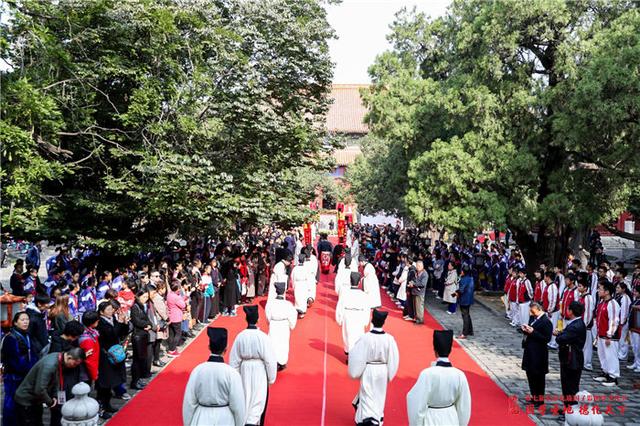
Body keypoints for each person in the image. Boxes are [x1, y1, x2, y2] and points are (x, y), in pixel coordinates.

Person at [406, 330, 471, 426]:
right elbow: (464, 406)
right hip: (451, 417)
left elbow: (417, 404)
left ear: (435, 352)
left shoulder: (427, 374)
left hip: (431, 418)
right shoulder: (459, 375)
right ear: (450, 351)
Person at [183, 328, 246, 426]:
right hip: (225, 418)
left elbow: (189, 402)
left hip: (202, 417)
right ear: (226, 349)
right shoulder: (232, 373)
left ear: (209, 347)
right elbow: (238, 405)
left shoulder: (198, 370)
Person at [348, 309, 399, 425]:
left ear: (372, 320)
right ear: (383, 322)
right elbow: (394, 358)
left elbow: (357, 356)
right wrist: (389, 373)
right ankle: (377, 417)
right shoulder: (389, 339)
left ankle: (366, 419)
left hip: (369, 369)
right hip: (383, 370)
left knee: (367, 394)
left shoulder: (365, 338)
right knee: (379, 396)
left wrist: (356, 372)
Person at [229, 305, 277, 426]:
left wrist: (236, 378)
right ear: (258, 319)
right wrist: (271, 378)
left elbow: (234, 360)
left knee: (245, 400)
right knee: (258, 400)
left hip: (244, 371)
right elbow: (270, 360)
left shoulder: (240, 336)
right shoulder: (263, 337)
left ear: (246, 319)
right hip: (259, 371)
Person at [14, 348, 86, 426]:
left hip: (35, 400)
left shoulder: (59, 357)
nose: (75, 367)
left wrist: (55, 396)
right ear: (69, 358)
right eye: (75, 364)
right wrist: (50, 402)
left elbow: (56, 379)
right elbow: (39, 390)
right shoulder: (50, 365)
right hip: (26, 400)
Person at [1, 312, 39, 426]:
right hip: (13, 376)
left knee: (20, 402)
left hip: (25, 373)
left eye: (27, 319)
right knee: (11, 402)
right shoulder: (10, 338)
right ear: (15, 322)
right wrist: (28, 369)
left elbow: (32, 354)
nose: (26, 322)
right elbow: (14, 360)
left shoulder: (26, 334)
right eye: (22, 320)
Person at [553, 301, 586, 419]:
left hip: (572, 359)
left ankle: (571, 411)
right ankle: (568, 407)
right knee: (566, 385)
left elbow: (562, 339)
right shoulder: (576, 323)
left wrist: (558, 335)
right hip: (569, 358)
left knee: (570, 386)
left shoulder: (576, 326)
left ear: (571, 311)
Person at [521, 301, 552, 407]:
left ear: (538, 309)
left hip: (539, 353)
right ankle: (534, 396)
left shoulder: (546, 321)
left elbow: (546, 338)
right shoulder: (533, 319)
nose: (530, 312)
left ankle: (539, 399)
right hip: (530, 350)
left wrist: (533, 332)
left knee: (538, 377)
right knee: (530, 374)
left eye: (532, 310)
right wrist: (525, 330)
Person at [336, 272, 371, 357]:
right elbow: (367, 309)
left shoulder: (345, 294)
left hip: (347, 316)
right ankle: (354, 355)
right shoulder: (363, 295)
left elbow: (339, 307)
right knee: (358, 337)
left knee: (348, 336)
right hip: (359, 317)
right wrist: (366, 321)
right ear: (359, 282)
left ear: (350, 281)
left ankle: (349, 354)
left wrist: (339, 319)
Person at [593, 281, 620, 387]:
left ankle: (613, 377)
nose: (598, 291)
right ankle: (605, 372)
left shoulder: (613, 304)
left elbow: (614, 320)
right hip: (601, 334)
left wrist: (610, 335)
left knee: (611, 356)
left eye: (600, 289)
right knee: (602, 355)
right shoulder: (602, 302)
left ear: (607, 291)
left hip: (609, 336)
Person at [265, 282, 297, 371]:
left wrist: (270, 323)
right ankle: (282, 362)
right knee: (283, 344)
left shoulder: (270, 304)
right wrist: (291, 325)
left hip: (274, 325)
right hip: (284, 326)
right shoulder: (288, 305)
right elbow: (292, 317)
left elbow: (267, 317)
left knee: (273, 342)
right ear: (283, 292)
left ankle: (273, 360)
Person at [130, 289, 153, 390]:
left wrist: (150, 325)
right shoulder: (135, 307)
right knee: (137, 360)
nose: (145, 299)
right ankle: (134, 381)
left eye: (146, 298)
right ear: (138, 296)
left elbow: (147, 319)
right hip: (138, 335)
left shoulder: (142, 306)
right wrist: (146, 324)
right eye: (143, 297)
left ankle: (139, 379)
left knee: (142, 359)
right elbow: (136, 321)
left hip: (143, 334)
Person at [167, 280, 187, 357]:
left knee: (171, 333)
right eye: (179, 288)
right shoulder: (176, 297)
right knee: (178, 333)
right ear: (176, 288)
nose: (180, 289)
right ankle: (172, 350)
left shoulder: (169, 294)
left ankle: (170, 348)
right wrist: (183, 299)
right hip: (176, 317)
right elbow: (183, 305)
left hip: (170, 316)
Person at [457, 265, 474, 339]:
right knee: (467, 314)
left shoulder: (463, 279)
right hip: (469, 298)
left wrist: (456, 293)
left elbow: (461, 290)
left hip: (464, 299)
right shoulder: (471, 278)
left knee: (465, 316)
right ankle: (470, 330)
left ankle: (465, 333)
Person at [409, 260, 428, 324]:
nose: (417, 267)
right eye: (417, 266)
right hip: (415, 291)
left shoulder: (425, 274)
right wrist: (412, 282)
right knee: (415, 306)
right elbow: (414, 279)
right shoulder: (417, 272)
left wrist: (414, 284)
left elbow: (423, 284)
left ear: (422, 266)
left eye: (418, 266)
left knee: (419, 306)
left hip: (420, 292)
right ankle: (417, 318)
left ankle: (420, 320)